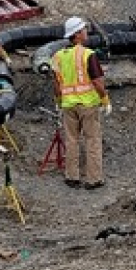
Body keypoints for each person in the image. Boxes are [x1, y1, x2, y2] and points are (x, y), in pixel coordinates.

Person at [51, 16, 111, 189]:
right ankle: (93, 179)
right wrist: (105, 99)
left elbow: (56, 83)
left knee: (71, 140)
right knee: (92, 140)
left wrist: (58, 100)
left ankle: (72, 176)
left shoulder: (58, 56)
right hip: (88, 104)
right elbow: (98, 82)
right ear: (77, 34)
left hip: (68, 105)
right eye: (84, 29)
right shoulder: (88, 55)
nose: (86, 32)